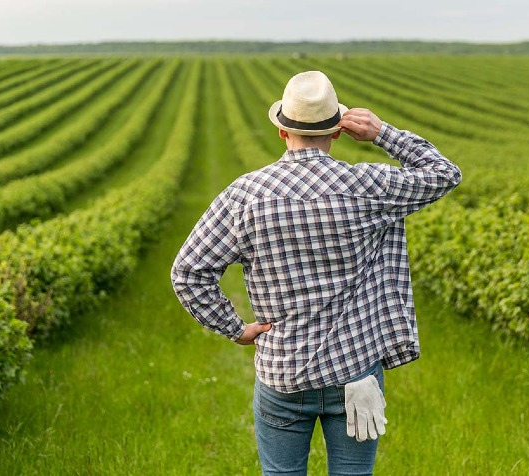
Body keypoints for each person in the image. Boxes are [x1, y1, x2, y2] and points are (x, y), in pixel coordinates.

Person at [171, 70, 461, 475]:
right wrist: (382, 133)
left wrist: (234, 327)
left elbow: (188, 273)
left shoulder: (244, 195)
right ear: (338, 131)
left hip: (283, 372)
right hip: (355, 371)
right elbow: (445, 173)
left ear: (282, 132)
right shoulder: (367, 185)